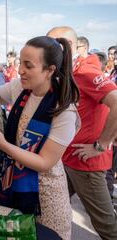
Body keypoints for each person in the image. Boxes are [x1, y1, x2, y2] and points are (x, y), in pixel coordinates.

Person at [0, 36, 80, 239]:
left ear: (50, 70)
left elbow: (44, 163)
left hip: (46, 196)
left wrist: (3, 144)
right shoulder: (20, 88)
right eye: (20, 63)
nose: (20, 70)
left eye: (28, 65)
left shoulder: (64, 110)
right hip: (12, 184)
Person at [48, 26, 117, 240]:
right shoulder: (71, 72)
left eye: (50, 45)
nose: (46, 49)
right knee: (49, 210)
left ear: (66, 46)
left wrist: (101, 145)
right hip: (69, 158)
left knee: (107, 227)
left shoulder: (85, 71)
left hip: (85, 162)